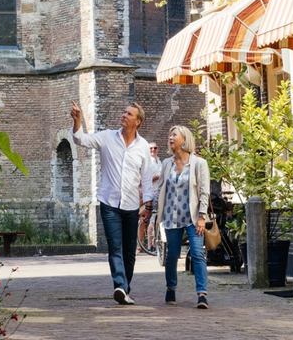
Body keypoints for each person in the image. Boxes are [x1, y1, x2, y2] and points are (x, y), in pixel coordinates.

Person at [71, 100, 155, 305]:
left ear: (138, 121)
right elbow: (81, 139)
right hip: (109, 203)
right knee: (115, 247)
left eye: (129, 113)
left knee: (129, 252)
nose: (124, 115)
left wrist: (148, 206)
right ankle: (119, 285)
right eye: (124, 112)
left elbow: (146, 178)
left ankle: (124, 289)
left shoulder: (143, 146)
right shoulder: (107, 137)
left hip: (131, 205)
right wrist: (77, 120)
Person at [152, 125, 211, 309]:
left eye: (174, 135)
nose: (170, 137)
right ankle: (171, 288)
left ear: (184, 140)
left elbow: (204, 192)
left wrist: (202, 216)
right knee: (172, 255)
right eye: (170, 135)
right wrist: (153, 211)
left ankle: (202, 294)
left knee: (197, 253)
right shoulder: (166, 164)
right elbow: (160, 189)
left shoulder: (199, 164)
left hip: (193, 217)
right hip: (171, 216)